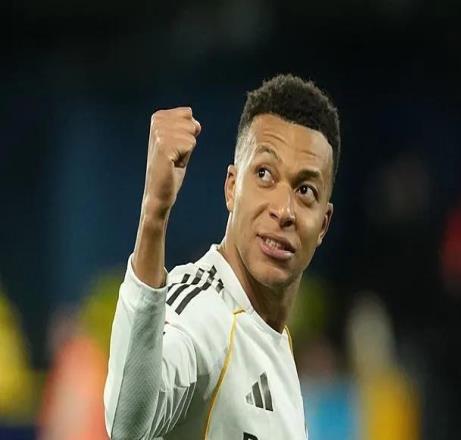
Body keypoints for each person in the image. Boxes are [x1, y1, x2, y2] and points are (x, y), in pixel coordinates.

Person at [104, 74, 341, 439]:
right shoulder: (204, 311)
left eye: (305, 190)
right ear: (232, 188)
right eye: (264, 174)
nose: (283, 210)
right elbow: (127, 425)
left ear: (322, 224)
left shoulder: (274, 341)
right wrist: (154, 213)